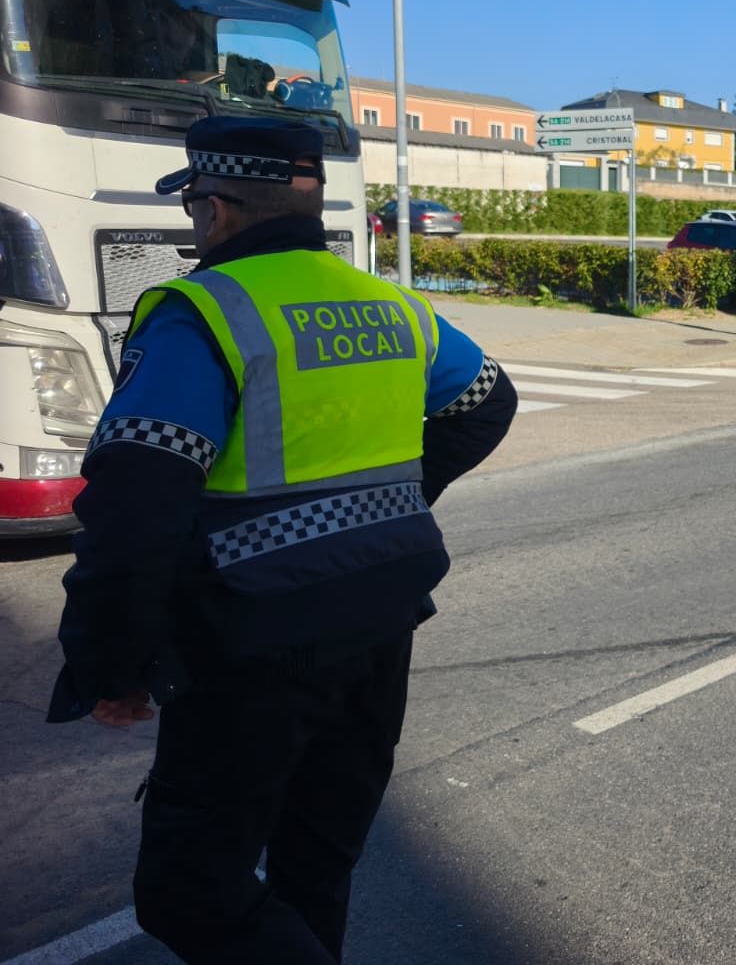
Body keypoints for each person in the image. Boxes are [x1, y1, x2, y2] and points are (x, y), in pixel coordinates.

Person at [47, 115, 517, 964]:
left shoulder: (205, 312)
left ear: (217, 207)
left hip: (251, 643)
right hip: (381, 625)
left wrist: (110, 667)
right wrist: (398, 500)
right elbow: (487, 403)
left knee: (190, 891)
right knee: (316, 867)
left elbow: (136, 505)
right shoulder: (391, 305)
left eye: (194, 204)